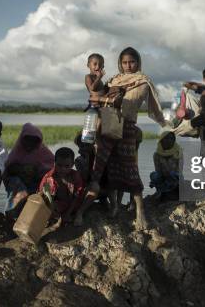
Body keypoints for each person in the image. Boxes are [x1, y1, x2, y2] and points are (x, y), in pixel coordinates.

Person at [75, 47, 168, 230]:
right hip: (108, 123)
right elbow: (96, 96)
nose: (128, 66)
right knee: (101, 166)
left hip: (127, 128)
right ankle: (109, 207)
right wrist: (106, 98)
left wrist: (107, 98)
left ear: (138, 62)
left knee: (130, 168)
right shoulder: (113, 80)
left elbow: (127, 103)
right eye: (124, 62)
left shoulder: (142, 81)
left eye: (131, 62)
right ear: (120, 63)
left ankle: (140, 213)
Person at [3, 123, 54, 220]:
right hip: (18, 184)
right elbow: (8, 170)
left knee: (46, 188)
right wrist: (21, 170)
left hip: (35, 183)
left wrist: (36, 172)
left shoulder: (43, 152)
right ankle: (11, 214)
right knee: (18, 187)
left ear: (38, 141)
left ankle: (43, 215)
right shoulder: (16, 152)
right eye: (27, 140)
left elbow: (50, 170)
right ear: (22, 139)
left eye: (34, 141)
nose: (30, 143)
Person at [38, 147, 85, 224]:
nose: (62, 169)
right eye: (59, 165)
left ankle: (69, 215)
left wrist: (68, 213)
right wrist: (53, 211)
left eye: (67, 166)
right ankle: (55, 216)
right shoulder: (50, 177)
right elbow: (46, 197)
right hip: (56, 204)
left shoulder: (75, 176)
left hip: (73, 204)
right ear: (54, 163)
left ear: (72, 165)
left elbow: (77, 197)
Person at [149, 131, 183, 200]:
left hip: (175, 176)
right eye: (166, 138)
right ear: (161, 141)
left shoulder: (178, 152)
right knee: (154, 175)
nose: (169, 141)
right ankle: (161, 191)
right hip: (163, 175)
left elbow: (179, 170)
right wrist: (164, 174)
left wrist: (169, 173)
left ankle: (164, 190)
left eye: (171, 139)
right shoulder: (156, 154)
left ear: (174, 141)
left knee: (173, 174)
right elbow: (158, 169)